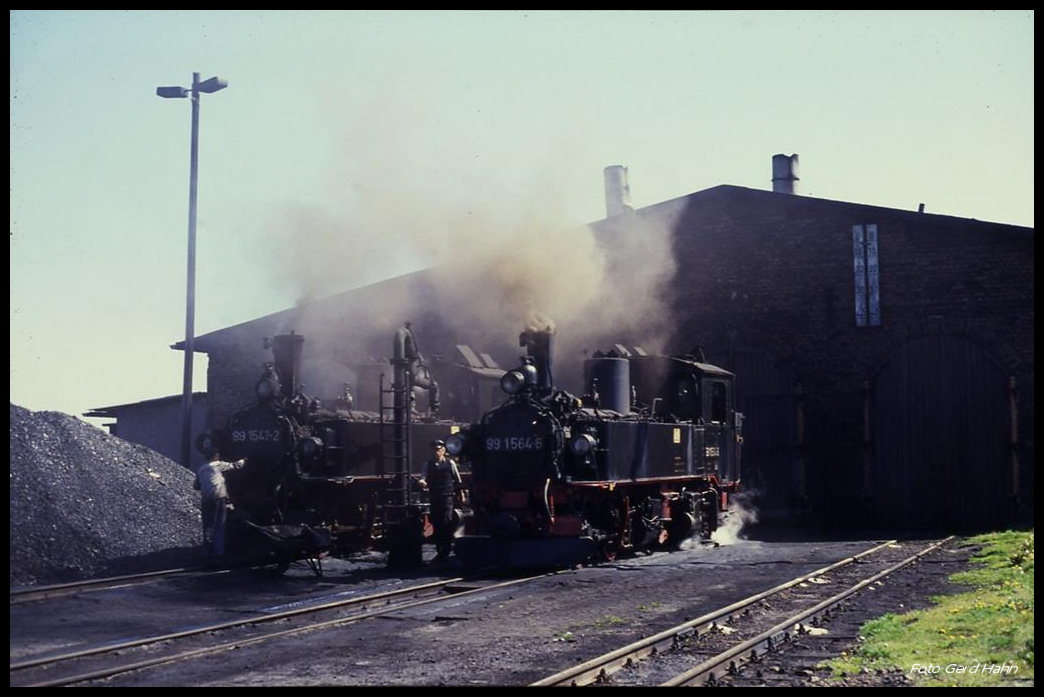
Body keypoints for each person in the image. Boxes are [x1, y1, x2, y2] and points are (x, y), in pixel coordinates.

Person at [194, 451, 247, 565]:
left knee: (208, 527)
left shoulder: (200, 470)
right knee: (219, 526)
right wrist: (245, 460)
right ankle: (219, 554)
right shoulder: (218, 464)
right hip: (219, 499)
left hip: (207, 500)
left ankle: (206, 554)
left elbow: (196, 486)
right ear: (215, 456)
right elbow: (235, 465)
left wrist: (207, 483)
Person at [418, 439, 464, 562]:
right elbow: (423, 476)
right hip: (434, 496)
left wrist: (461, 494)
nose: (436, 452)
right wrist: (422, 481)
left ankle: (446, 550)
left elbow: (457, 479)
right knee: (437, 523)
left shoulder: (451, 463)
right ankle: (440, 550)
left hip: (447, 497)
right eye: (434, 450)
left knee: (446, 522)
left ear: (443, 450)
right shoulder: (428, 464)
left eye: (438, 449)